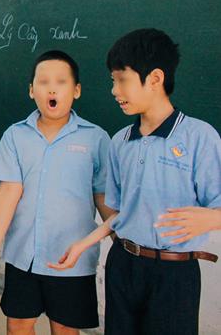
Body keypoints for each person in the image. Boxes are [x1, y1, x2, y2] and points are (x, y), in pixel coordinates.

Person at [48, 29, 220, 335]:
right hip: (123, 265)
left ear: (154, 78)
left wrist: (211, 218)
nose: (114, 90)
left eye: (121, 79)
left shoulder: (199, 137)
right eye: (113, 80)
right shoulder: (120, 142)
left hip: (174, 272)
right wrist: (83, 244)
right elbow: (121, 215)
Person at [0, 50, 112, 335]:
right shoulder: (15, 135)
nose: (52, 88)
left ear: (77, 90)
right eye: (43, 81)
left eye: (61, 81)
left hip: (72, 260)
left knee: (65, 329)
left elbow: (103, 198)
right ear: (31, 90)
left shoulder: (96, 138)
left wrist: (121, 231)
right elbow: (9, 192)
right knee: (18, 325)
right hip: (24, 254)